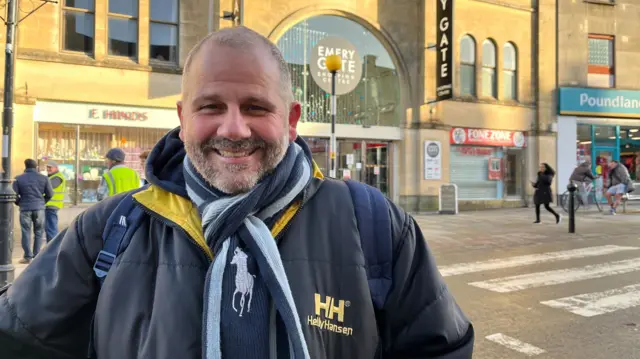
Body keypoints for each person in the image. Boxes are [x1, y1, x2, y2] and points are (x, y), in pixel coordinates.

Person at [0, 27, 474, 359]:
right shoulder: (106, 231)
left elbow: (440, 347)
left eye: (255, 106)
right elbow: (19, 339)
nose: (233, 127)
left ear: (290, 120)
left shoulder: (372, 225)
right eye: (211, 107)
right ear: (183, 117)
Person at [12, 159, 53, 263]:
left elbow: (14, 195)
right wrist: (42, 202)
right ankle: (37, 255)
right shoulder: (44, 178)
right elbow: (50, 194)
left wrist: (19, 203)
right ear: (36, 167)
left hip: (25, 208)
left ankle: (27, 256)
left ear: (25, 166)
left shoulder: (18, 179)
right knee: (39, 232)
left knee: (26, 232)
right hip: (39, 208)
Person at [44, 161, 66, 243]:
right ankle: (51, 246)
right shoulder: (51, 177)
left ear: (56, 168)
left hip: (52, 205)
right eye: (47, 167)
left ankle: (52, 246)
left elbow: (49, 187)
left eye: (50, 167)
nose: (48, 169)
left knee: (51, 228)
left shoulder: (57, 177)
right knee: (50, 227)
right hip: (49, 205)